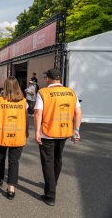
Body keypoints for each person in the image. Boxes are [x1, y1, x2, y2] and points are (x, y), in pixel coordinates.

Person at [34, 68, 82, 206]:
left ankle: (50, 195)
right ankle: (53, 183)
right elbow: (78, 112)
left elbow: (38, 113)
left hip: (47, 132)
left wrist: (37, 132)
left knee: (48, 161)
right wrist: (76, 130)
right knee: (57, 159)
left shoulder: (43, 92)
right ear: (59, 79)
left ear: (48, 79)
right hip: (64, 131)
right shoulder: (70, 92)